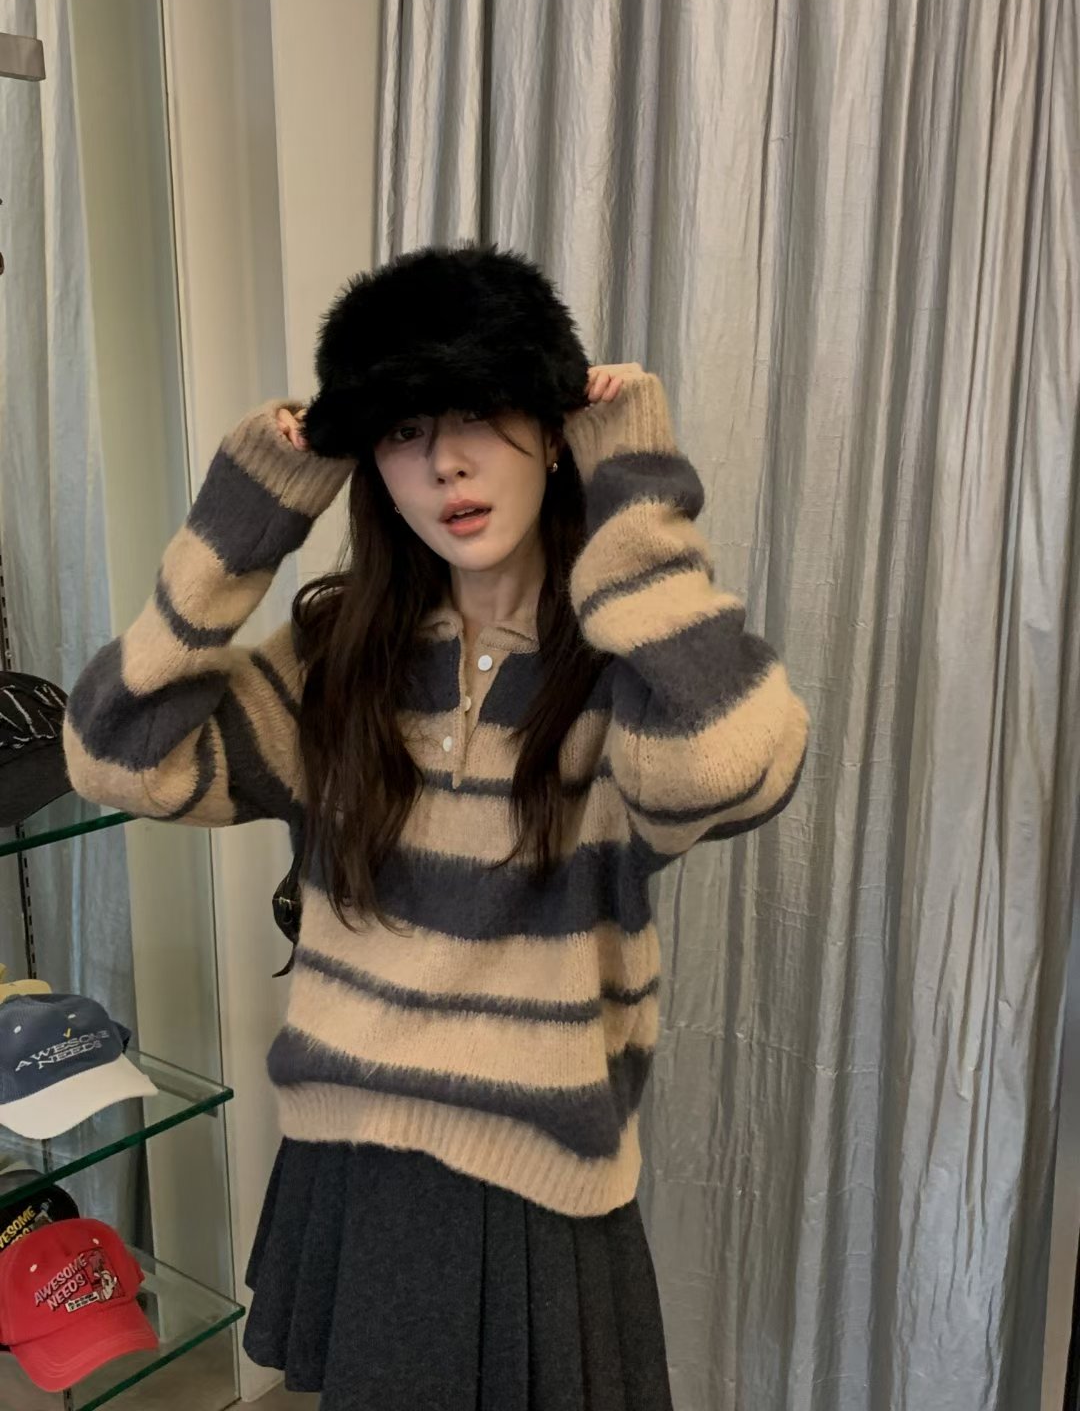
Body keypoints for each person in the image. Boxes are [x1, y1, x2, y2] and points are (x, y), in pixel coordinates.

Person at [62, 243, 809, 1411]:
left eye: (477, 413)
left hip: (536, 1189)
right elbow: (116, 754)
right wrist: (244, 525)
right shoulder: (336, 659)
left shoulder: (623, 670)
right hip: (355, 1161)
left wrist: (639, 502)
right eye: (403, 430)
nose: (445, 463)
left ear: (555, 431)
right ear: (370, 463)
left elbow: (731, 767)